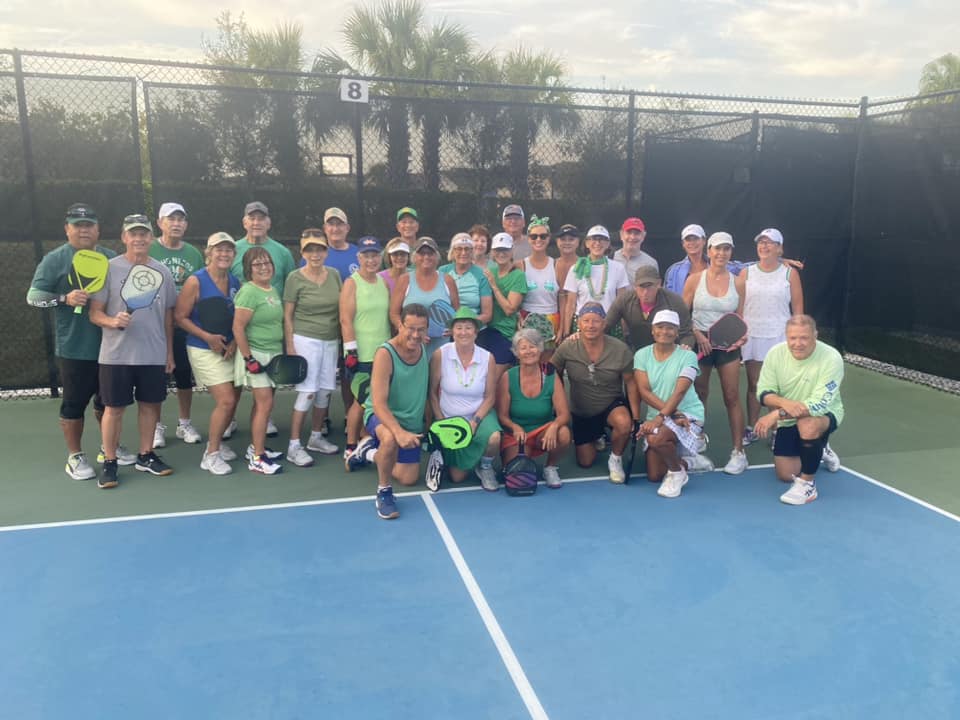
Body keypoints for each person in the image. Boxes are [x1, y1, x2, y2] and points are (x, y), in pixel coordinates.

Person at [26, 203, 121, 482]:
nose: (84, 230)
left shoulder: (111, 258)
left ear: (97, 230)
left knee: (108, 402)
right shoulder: (55, 259)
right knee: (73, 404)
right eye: (78, 226)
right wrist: (63, 298)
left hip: (110, 346)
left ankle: (108, 448)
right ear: (67, 229)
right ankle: (75, 456)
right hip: (74, 348)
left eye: (89, 225)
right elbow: (33, 296)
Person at [88, 213, 178, 488]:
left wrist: (169, 353)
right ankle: (110, 461)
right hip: (116, 356)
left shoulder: (162, 272)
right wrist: (112, 321)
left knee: (151, 406)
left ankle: (146, 455)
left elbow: (168, 316)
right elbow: (94, 313)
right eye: (133, 233)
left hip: (153, 354)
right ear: (124, 237)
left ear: (151, 237)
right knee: (113, 408)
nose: (139, 238)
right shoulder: (108, 268)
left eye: (144, 234)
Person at [753, 315, 844, 505]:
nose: (798, 343)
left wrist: (777, 414)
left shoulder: (832, 357)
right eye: (792, 338)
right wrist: (784, 403)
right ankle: (820, 447)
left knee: (808, 425)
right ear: (786, 336)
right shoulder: (775, 354)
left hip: (823, 414)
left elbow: (818, 404)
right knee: (786, 475)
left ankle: (807, 485)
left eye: (804, 338)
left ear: (815, 336)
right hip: (789, 417)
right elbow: (763, 392)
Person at [174, 232, 242, 475]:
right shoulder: (196, 281)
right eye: (218, 249)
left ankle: (219, 443)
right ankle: (210, 454)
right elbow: (180, 317)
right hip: (202, 348)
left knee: (234, 397)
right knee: (226, 400)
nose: (224, 254)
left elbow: (237, 318)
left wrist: (234, 342)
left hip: (229, 350)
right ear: (209, 253)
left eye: (228, 250)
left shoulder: (235, 282)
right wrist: (208, 338)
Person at [551, 302, 640, 484]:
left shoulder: (620, 349)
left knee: (623, 423)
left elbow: (631, 383)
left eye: (596, 321)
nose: (591, 325)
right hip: (582, 410)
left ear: (604, 324)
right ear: (579, 323)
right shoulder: (567, 347)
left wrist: (635, 417)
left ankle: (615, 459)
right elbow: (553, 373)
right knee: (585, 462)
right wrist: (558, 406)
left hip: (611, 405)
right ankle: (598, 435)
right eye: (586, 321)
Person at [682, 232, 748, 475]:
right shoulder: (693, 280)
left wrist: (740, 338)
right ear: (708, 251)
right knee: (699, 394)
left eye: (726, 249)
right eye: (717, 248)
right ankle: (696, 441)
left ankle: (739, 452)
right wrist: (698, 336)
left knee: (732, 396)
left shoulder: (738, 283)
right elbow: (683, 316)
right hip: (700, 343)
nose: (721, 253)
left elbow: (739, 318)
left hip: (728, 347)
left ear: (731, 252)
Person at [229, 201, 295, 440]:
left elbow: (289, 286)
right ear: (244, 222)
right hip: (244, 328)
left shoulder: (282, 252)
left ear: (268, 222)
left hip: (272, 330)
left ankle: (263, 423)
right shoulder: (233, 249)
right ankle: (229, 419)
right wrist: (245, 351)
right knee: (235, 384)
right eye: (252, 218)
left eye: (261, 218)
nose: (256, 222)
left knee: (267, 392)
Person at [735, 228, 804, 446]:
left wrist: (796, 337)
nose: (764, 246)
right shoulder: (745, 273)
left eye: (770, 243)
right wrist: (740, 333)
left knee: (777, 388)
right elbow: (739, 309)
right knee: (754, 384)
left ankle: (777, 430)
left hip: (780, 337)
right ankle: (753, 427)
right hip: (752, 336)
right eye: (761, 242)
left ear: (779, 248)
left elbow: (798, 310)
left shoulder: (790, 274)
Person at [633, 310, 713, 499]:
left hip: (688, 414)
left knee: (656, 439)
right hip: (670, 414)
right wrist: (670, 414)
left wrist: (661, 417)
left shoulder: (688, 356)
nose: (664, 331)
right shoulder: (641, 355)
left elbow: (680, 392)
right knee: (655, 475)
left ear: (677, 333)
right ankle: (689, 462)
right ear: (652, 330)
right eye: (660, 327)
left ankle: (677, 473)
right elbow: (644, 391)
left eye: (670, 328)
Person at [365, 304, 431, 520]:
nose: (415, 335)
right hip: (381, 416)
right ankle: (384, 492)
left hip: (411, 423)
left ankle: (367, 453)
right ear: (399, 325)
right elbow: (378, 404)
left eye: (421, 329)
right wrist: (398, 432)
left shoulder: (423, 347)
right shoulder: (385, 354)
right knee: (390, 439)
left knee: (409, 478)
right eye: (410, 328)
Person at [283, 230, 343, 466]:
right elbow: (288, 315)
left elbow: (341, 309)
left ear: (326, 252)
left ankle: (316, 437)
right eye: (310, 250)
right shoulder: (294, 278)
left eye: (319, 249)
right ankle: (293, 445)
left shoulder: (335, 275)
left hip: (331, 340)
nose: (315, 254)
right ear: (303, 253)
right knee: (307, 391)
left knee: (325, 390)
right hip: (305, 339)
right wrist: (290, 345)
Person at [149, 202, 205, 450]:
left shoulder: (193, 253)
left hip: (184, 325)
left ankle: (184, 423)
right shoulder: (149, 249)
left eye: (180, 219)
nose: (176, 223)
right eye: (171, 219)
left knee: (184, 376)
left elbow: (200, 286)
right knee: (157, 379)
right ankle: (156, 427)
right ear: (160, 223)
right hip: (155, 327)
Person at [428, 307, 502, 490]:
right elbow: (432, 393)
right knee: (457, 477)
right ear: (452, 331)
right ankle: (459, 457)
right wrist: (441, 422)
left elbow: (490, 397)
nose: (463, 332)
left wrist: (475, 422)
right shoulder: (440, 354)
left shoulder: (488, 358)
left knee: (494, 438)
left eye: (468, 328)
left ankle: (485, 466)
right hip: (449, 419)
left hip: (478, 415)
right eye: (459, 327)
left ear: (476, 332)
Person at [497, 328, 572, 488]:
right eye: (523, 348)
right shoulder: (508, 377)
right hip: (517, 435)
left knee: (564, 433)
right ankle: (525, 455)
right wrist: (514, 427)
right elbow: (502, 416)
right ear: (516, 352)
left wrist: (554, 426)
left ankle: (550, 467)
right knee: (516, 476)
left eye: (533, 346)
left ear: (540, 349)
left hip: (542, 433)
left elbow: (564, 414)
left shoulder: (551, 375)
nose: (528, 351)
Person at [341, 236, 392, 469]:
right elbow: (345, 319)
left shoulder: (383, 282)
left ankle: (365, 439)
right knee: (360, 402)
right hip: (361, 355)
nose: (371, 260)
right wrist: (351, 351)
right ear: (359, 257)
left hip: (383, 354)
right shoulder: (352, 283)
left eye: (375, 255)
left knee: (378, 400)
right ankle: (350, 446)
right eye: (366, 256)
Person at [232, 247, 284, 475]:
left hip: (274, 354)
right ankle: (257, 459)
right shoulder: (248, 292)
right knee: (265, 404)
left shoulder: (272, 289)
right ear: (248, 269)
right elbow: (238, 327)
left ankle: (256, 447)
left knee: (263, 404)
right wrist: (249, 358)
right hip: (256, 355)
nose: (264, 268)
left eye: (267, 263)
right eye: (257, 264)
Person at [665, 223, 804, 295]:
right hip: (685, 327)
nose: (692, 243)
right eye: (688, 239)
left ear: (704, 241)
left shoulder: (726, 266)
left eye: (695, 239)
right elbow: (669, 300)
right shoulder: (673, 270)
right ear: (683, 243)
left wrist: (777, 260)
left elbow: (748, 266)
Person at [390, 236, 459, 356]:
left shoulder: (448, 280)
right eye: (421, 253)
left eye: (430, 253)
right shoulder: (404, 280)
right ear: (414, 257)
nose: (426, 257)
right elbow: (394, 314)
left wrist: (454, 328)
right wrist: (406, 331)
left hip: (442, 348)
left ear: (437, 257)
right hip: (411, 347)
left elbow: (458, 312)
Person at [561, 225, 630, 339]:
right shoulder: (577, 268)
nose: (597, 243)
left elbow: (622, 303)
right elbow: (570, 304)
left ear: (608, 244)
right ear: (587, 243)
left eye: (602, 239)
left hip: (610, 323)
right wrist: (567, 332)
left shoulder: (618, 268)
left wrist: (624, 330)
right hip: (583, 324)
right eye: (593, 239)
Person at [606, 265, 694, 352]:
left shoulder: (675, 301)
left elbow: (687, 333)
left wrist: (684, 348)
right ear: (635, 286)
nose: (645, 292)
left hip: (669, 352)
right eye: (641, 286)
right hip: (634, 351)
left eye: (649, 286)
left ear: (659, 284)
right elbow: (606, 325)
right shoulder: (624, 300)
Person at [478, 233, 528, 378]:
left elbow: (509, 309)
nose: (501, 254)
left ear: (512, 251)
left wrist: (494, 286)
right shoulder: (489, 271)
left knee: (494, 379)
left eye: (505, 250)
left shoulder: (518, 275)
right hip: (484, 331)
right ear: (492, 252)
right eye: (498, 250)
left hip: (504, 334)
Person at [518, 215, 561, 357]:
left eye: (543, 236)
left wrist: (562, 328)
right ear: (528, 238)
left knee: (547, 364)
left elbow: (563, 299)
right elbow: (514, 296)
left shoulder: (557, 265)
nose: (538, 240)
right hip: (527, 320)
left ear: (549, 238)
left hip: (552, 321)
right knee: (528, 360)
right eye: (534, 236)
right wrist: (518, 317)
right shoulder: (521, 265)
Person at [440, 232, 493, 326]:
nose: (463, 253)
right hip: (446, 325)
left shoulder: (481, 274)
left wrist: (465, 326)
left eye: (467, 249)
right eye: (459, 249)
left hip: (474, 326)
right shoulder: (443, 271)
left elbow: (487, 315)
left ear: (472, 252)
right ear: (453, 251)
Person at [554, 224, 581, 342]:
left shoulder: (584, 265)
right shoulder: (552, 264)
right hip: (554, 318)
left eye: (571, 239)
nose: (567, 243)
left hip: (577, 321)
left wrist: (565, 329)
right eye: (563, 239)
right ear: (557, 241)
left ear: (578, 242)